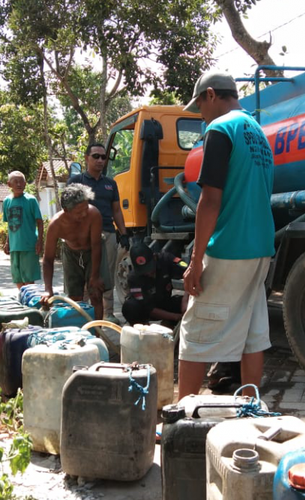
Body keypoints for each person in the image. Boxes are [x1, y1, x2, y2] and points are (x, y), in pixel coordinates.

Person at [177, 69, 275, 400]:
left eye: (200, 107)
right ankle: (251, 407)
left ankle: (178, 415)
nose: (201, 116)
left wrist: (195, 260)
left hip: (230, 247)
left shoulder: (220, 129)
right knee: (251, 330)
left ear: (211, 96)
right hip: (260, 246)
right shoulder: (257, 133)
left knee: (195, 330)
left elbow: (210, 200)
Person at [67, 143, 130, 325]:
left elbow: (117, 210)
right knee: (86, 274)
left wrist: (123, 233)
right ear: (86, 158)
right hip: (83, 236)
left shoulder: (111, 184)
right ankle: (82, 313)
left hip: (108, 234)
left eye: (104, 157)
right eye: (96, 156)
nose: (100, 160)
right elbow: (67, 211)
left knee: (106, 275)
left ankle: (108, 313)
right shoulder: (75, 182)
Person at [41, 184, 106, 319]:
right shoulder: (56, 225)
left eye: (85, 209)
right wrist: (48, 289)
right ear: (66, 210)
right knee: (74, 298)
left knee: (96, 293)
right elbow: (48, 259)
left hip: (93, 252)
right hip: (71, 254)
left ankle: (98, 334)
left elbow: (96, 245)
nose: (83, 214)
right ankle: (80, 333)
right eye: (78, 212)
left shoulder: (94, 215)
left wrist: (94, 276)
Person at [121, 243, 189, 327]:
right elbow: (149, 309)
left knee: (190, 302)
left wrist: (185, 298)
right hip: (146, 309)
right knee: (130, 307)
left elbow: (190, 271)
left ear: (154, 257)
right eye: (144, 271)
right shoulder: (133, 278)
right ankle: (141, 329)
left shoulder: (166, 259)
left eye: (150, 268)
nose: (148, 273)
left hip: (165, 302)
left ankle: (169, 324)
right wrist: (175, 317)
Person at [3, 171, 44, 289]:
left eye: (21, 181)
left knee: (29, 280)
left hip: (29, 246)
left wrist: (39, 241)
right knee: (18, 278)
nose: (19, 184)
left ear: (25, 184)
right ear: (9, 184)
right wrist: (7, 242)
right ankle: (23, 303)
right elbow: (10, 224)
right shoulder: (7, 201)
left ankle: (30, 303)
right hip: (15, 247)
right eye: (15, 182)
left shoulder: (31, 200)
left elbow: (39, 222)